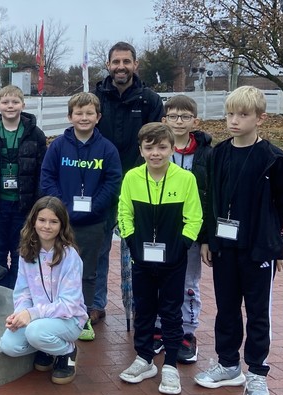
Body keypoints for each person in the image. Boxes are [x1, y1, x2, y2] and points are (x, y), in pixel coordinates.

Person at [196, 86, 283, 395]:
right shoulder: (218, 154)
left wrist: (277, 246)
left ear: (260, 118)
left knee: (257, 313)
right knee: (226, 308)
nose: (234, 121)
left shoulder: (273, 158)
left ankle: (256, 372)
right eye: (230, 114)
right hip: (224, 248)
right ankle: (228, 365)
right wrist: (206, 240)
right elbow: (209, 199)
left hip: (258, 251)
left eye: (243, 114)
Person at [117, 123, 202, 395]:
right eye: (149, 147)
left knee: (170, 311)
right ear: (141, 150)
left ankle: (170, 366)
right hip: (142, 258)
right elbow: (124, 213)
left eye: (162, 147)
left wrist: (182, 246)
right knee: (143, 309)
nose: (156, 153)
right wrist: (131, 241)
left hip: (173, 261)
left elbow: (194, 217)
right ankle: (144, 358)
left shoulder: (185, 178)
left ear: (171, 149)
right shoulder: (131, 178)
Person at [93, 41, 164, 327]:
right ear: (108, 65)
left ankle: (140, 306)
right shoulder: (96, 98)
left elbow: (158, 143)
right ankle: (96, 304)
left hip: (139, 187)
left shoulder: (149, 100)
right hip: (102, 186)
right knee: (98, 249)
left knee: (137, 250)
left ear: (135, 64)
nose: (120, 67)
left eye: (126, 61)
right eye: (115, 62)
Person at [40, 92, 122, 341]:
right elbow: (47, 177)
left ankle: (87, 312)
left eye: (89, 113)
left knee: (90, 268)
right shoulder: (58, 146)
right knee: (58, 265)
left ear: (98, 117)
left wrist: (96, 206)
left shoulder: (107, 148)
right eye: (79, 113)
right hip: (62, 221)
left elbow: (113, 180)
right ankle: (57, 308)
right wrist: (61, 209)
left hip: (94, 221)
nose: (84, 117)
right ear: (70, 116)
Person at [150, 95, 212, 364]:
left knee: (188, 283)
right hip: (158, 230)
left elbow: (211, 197)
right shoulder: (156, 149)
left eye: (185, 117)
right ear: (164, 120)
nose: (178, 121)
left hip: (191, 233)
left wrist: (206, 236)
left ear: (195, 121)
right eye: (173, 116)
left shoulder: (207, 154)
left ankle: (187, 333)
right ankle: (159, 328)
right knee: (156, 282)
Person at [0, 196, 87, 384]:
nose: (47, 226)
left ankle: (67, 351)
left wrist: (31, 314)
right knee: (8, 346)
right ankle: (46, 347)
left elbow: (69, 304)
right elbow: (22, 291)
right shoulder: (26, 252)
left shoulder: (70, 257)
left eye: (53, 222)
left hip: (68, 320)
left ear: (62, 225)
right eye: (42, 220)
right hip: (37, 319)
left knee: (35, 332)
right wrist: (19, 314)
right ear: (33, 221)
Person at [0, 85, 47, 289]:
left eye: (15, 102)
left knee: (20, 251)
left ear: (23, 104)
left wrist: (38, 204)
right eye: (5, 102)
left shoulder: (35, 135)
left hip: (25, 206)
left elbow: (42, 170)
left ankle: (17, 294)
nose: (10, 106)